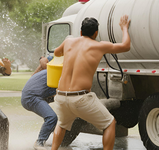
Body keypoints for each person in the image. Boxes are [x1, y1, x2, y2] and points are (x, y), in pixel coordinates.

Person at [51, 15, 131, 150]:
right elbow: (125, 46)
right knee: (110, 123)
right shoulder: (99, 46)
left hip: (61, 97)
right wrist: (124, 28)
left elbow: (57, 53)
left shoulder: (68, 41)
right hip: (80, 98)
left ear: (81, 32)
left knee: (62, 124)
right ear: (96, 33)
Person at [21, 56, 56, 150]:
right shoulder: (58, 69)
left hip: (32, 93)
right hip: (31, 97)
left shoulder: (56, 66)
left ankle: (54, 134)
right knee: (52, 117)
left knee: (58, 113)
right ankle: (39, 142)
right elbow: (43, 59)